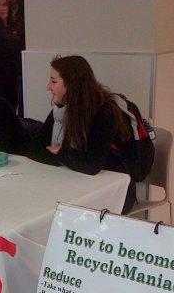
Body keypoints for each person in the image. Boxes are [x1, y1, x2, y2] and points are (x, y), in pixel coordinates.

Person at [25, 55, 136, 214]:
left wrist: (61, 153)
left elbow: (91, 165)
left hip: (115, 192)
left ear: (72, 85)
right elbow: (34, 149)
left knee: (58, 213)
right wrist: (65, 157)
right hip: (77, 185)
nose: (48, 87)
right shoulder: (61, 110)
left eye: (54, 82)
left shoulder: (104, 113)